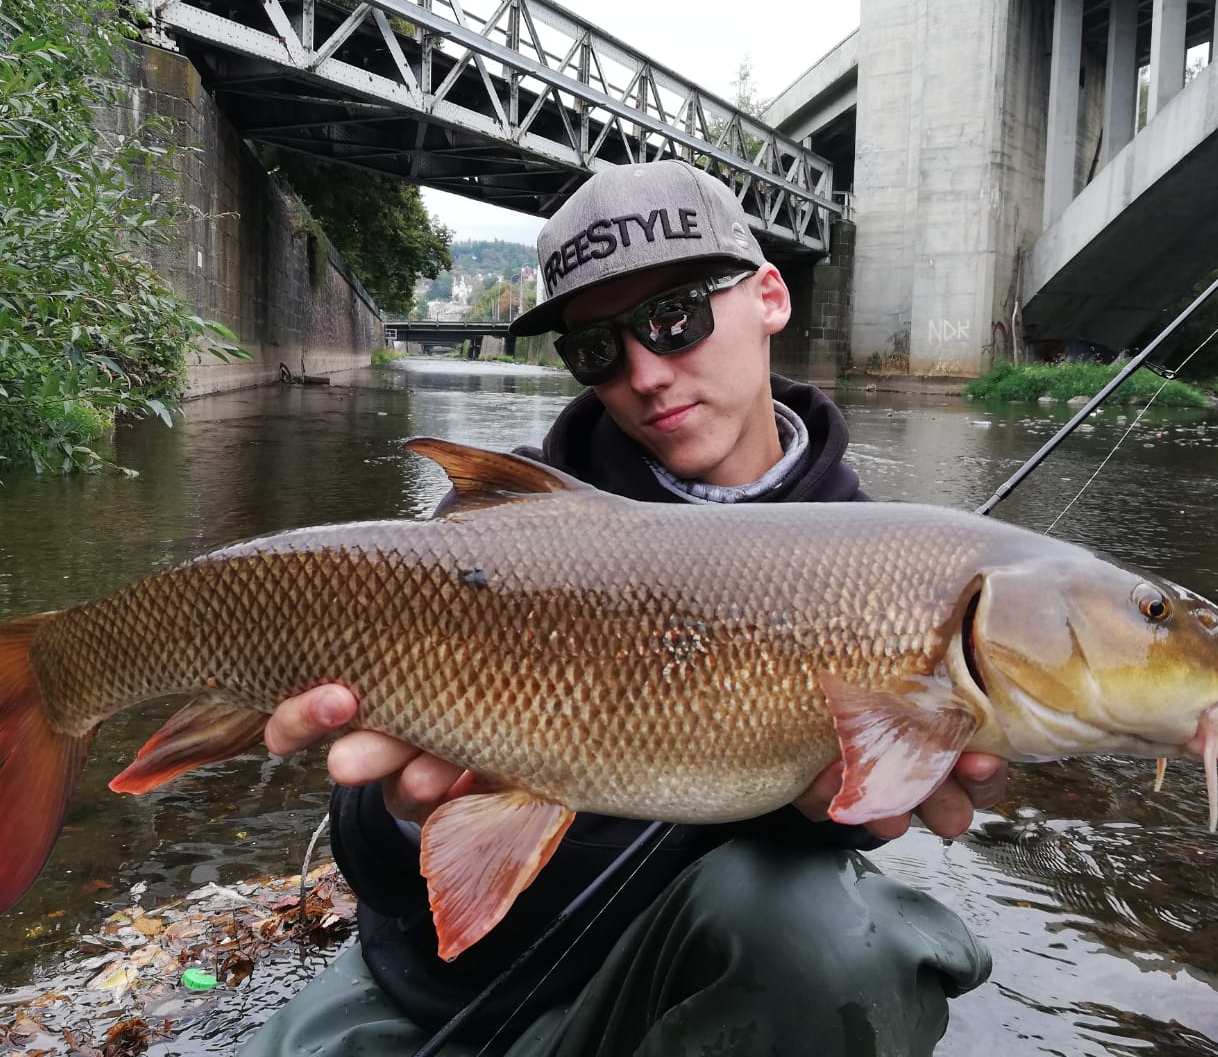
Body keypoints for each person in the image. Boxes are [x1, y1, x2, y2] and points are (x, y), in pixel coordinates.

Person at [243, 161, 1005, 1057]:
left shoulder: (885, 581)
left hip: (676, 998)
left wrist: (835, 806)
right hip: (430, 995)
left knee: (836, 942)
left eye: (675, 317)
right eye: (597, 349)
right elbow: (378, 873)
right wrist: (408, 812)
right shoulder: (496, 537)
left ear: (768, 297)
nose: (646, 372)